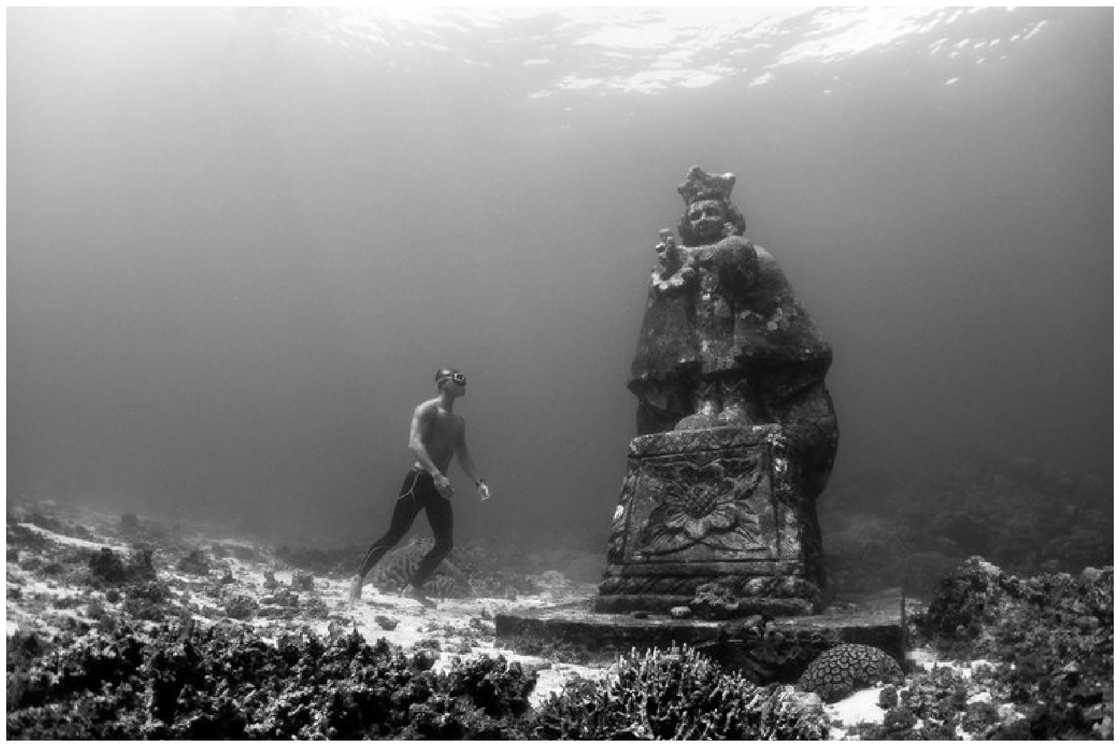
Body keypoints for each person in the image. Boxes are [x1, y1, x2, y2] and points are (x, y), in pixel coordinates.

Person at [349, 368, 490, 606]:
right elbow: (414, 443)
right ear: (443, 384)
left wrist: (479, 481)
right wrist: (436, 474)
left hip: (439, 486)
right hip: (419, 480)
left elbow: (463, 455)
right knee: (394, 534)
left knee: (445, 543)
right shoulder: (427, 410)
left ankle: (413, 587)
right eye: (456, 377)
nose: (462, 381)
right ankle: (358, 579)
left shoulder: (458, 422)